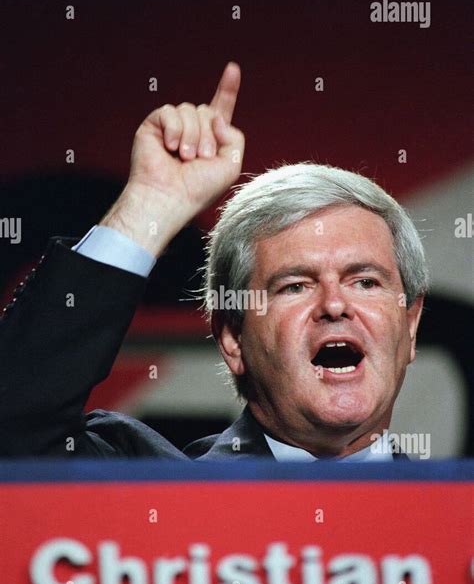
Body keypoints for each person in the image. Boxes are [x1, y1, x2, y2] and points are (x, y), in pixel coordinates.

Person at [0, 62, 428, 460]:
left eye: (366, 282)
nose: (334, 304)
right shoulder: (150, 495)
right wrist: (150, 204)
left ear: (409, 326)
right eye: (294, 286)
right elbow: (18, 420)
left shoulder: (453, 521)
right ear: (232, 339)